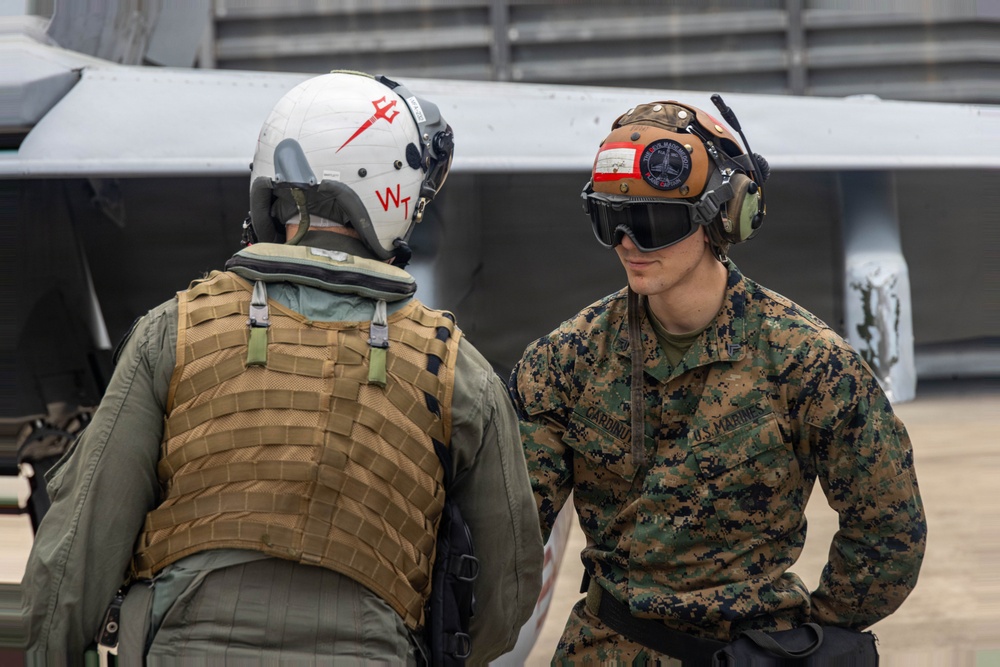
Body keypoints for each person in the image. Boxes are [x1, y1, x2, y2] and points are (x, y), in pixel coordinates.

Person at [22, 71, 542, 665]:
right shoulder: (456, 371)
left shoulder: (176, 329)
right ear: (395, 192)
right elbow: (510, 585)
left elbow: (76, 548)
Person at [508, 97, 926, 665]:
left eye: (652, 222)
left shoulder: (807, 361)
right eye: (611, 221)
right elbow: (510, 526)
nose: (628, 243)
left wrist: (809, 641)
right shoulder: (566, 361)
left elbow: (888, 531)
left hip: (754, 650)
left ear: (721, 217)